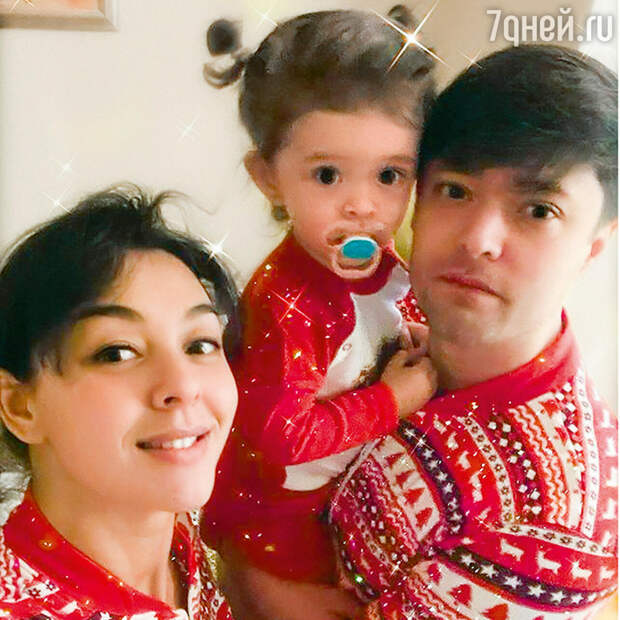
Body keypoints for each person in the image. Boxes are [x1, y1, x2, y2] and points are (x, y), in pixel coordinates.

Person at [329, 44, 618, 618]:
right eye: (456, 190)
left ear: (592, 247)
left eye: (538, 210)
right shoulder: (383, 302)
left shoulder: (557, 524)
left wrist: (236, 554)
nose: (478, 240)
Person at [201, 6, 437, 586]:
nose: (362, 205)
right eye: (328, 175)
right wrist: (392, 400)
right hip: (281, 516)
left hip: (353, 491)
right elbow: (283, 437)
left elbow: (380, 327)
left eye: (389, 175)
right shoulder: (287, 302)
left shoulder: (385, 263)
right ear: (268, 177)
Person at [0, 187, 240, 619]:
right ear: (21, 407)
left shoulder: (189, 538)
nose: (184, 385)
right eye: (117, 353)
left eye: (200, 344)